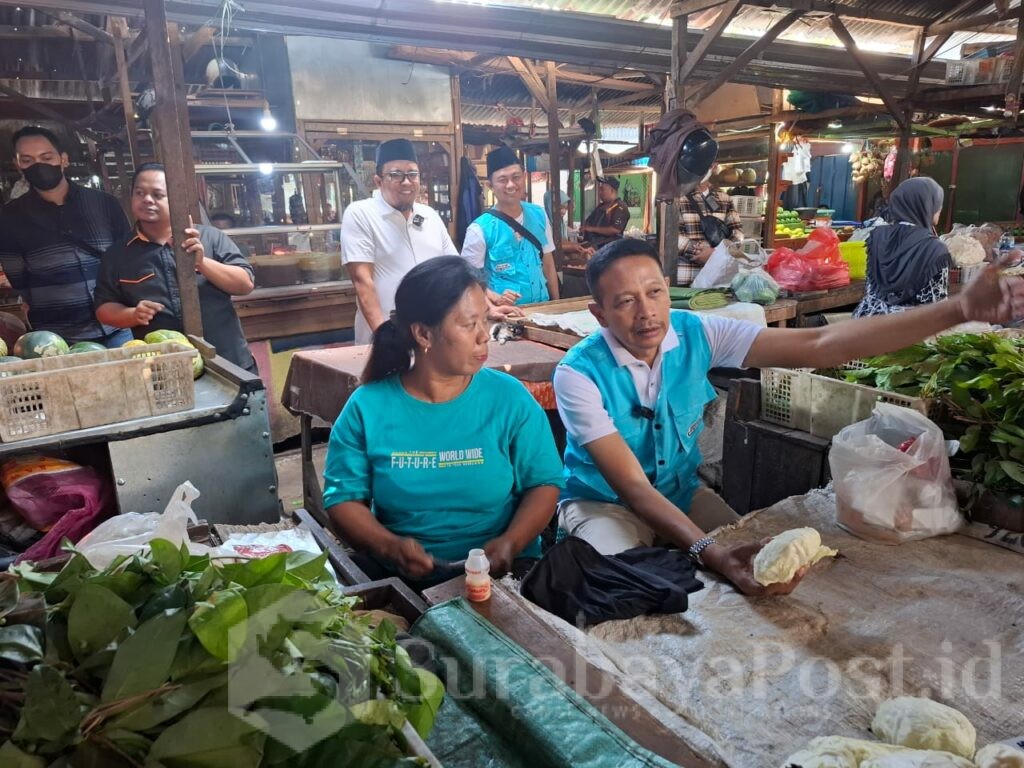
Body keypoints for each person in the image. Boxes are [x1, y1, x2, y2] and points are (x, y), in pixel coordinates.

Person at [553, 238, 1024, 597]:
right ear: (598, 313)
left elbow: (821, 347)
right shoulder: (578, 373)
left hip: (681, 493)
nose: (647, 312)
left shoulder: (696, 331)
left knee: (762, 568)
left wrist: (958, 309)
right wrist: (709, 551)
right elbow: (633, 488)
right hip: (605, 503)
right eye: (625, 301)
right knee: (627, 584)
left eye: (654, 292)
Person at [322, 256, 563, 585]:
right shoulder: (368, 407)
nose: (484, 337)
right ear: (423, 333)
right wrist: (389, 546)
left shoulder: (509, 398)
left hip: (505, 573)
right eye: (468, 324)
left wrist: (512, 541)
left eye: (485, 321)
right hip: (402, 576)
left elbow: (543, 484)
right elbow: (343, 499)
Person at [94, 163, 257, 372]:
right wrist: (133, 314)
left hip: (230, 362)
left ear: (176, 198)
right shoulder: (117, 254)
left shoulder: (209, 237)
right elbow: (104, 309)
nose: (147, 200)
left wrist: (202, 263)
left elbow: (244, 284)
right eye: (140, 193)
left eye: (157, 194)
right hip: (164, 373)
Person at [0, 125, 132, 346]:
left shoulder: (103, 204)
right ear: (18, 165)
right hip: (56, 337)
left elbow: (126, 256)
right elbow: (18, 278)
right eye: (27, 160)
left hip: (118, 326)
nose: (38, 165)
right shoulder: (9, 217)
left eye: (46, 157)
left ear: (63, 159)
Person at [341, 139, 459, 345]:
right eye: (396, 175)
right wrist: (384, 335)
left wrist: (487, 302)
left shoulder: (429, 215)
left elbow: (457, 270)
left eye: (412, 174)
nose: (406, 182)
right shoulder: (361, 213)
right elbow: (363, 282)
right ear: (378, 181)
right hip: (385, 337)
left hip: (431, 336)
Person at [462, 146, 560, 306]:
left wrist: (556, 304)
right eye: (502, 180)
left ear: (524, 177)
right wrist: (493, 296)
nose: (510, 185)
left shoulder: (539, 214)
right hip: (504, 317)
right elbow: (468, 280)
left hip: (543, 310)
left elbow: (548, 262)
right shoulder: (479, 229)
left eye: (516, 177)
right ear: (490, 186)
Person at [854, 177, 952, 318]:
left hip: (866, 320)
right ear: (925, 205)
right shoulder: (934, 248)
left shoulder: (877, 235)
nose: (940, 208)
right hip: (903, 329)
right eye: (936, 203)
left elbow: (872, 287)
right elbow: (936, 305)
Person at [676, 168, 743, 286]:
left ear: (714, 167)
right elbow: (670, 237)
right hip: (687, 276)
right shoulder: (676, 198)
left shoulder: (724, 199)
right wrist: (699, 252)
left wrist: (717, 254)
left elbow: (737, 233)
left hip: (719, 279)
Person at [580, 176, 630, 250]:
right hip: (592, 244)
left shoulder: (620, 207)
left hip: (608, 249)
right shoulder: (601, 206)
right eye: (599, 189)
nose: (599, 192)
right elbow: (589, 221)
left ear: (612, 190)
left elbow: (615, 229)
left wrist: (591, 229)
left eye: (602, 189)